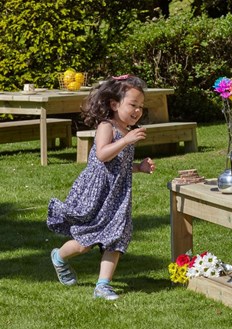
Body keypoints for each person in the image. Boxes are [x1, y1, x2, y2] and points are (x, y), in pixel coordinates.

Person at [47, 75, 155, 300]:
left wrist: (139, 167)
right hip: (97, 192)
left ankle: (103, 285)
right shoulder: (107, 126)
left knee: (116, 236)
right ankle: (59, 257)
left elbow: (120, 165)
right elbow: (103, 155)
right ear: (115, 105)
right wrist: (126, 141)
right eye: (132, 105)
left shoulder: (127, 130)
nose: (137, 111)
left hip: (118, 193)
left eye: (141, 107)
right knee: (85, 242)